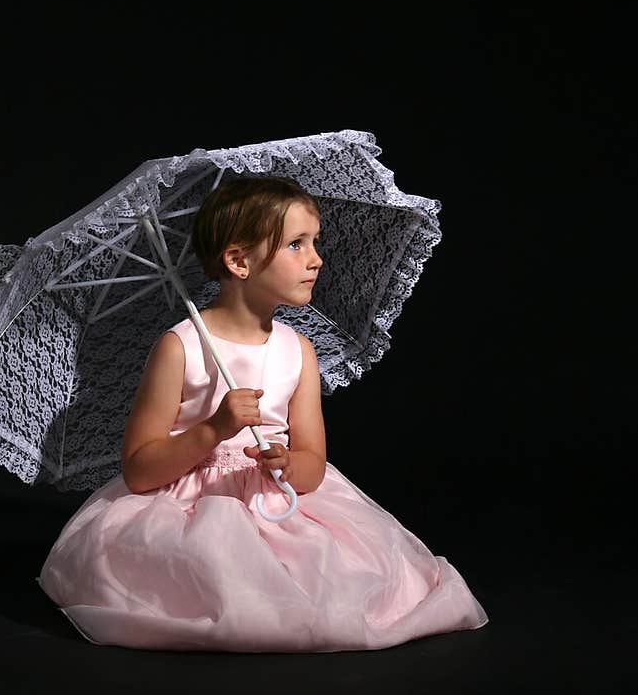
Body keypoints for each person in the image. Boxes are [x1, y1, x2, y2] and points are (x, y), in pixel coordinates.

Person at [37, 174, 488, 652]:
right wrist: (215, 428)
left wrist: (288, 464)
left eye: (314, 242)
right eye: (297, 245)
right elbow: (140, 471)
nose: (316, 259)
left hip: (275, 499)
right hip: (191, 502)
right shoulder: (180, 348)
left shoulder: (300, 352)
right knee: (219, 582)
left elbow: (313, 461)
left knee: (341, 585)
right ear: (238, 260)